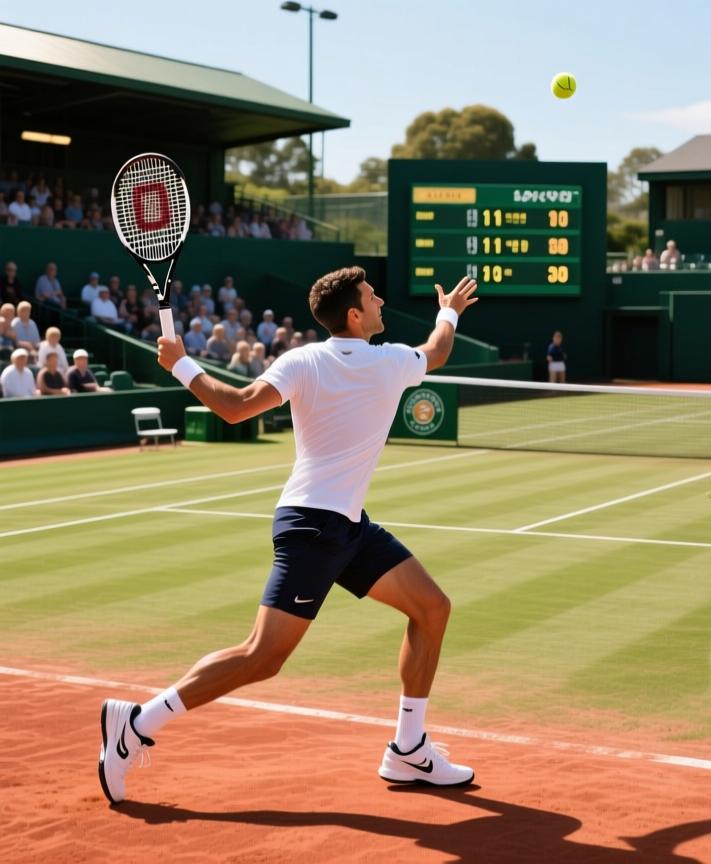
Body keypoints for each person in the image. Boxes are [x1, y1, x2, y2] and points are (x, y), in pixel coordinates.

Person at [97, 268, 479, 804]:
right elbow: (437, 351)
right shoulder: (391, 361)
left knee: (432, 608)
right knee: (262, 656)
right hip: (312, 528)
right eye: (372, 297)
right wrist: (450, 310)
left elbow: (234, 406)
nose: (381, 301)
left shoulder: (302, 359)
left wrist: (180, 362)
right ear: (354, 315)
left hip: (346, 523)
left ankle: (408, 749)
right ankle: (136, 722)